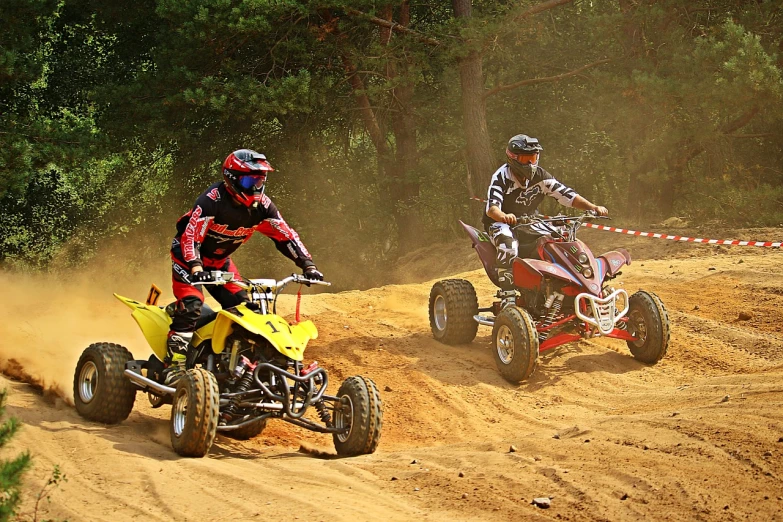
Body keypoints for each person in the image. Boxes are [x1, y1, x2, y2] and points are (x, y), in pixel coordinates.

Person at [164, 149, 323, 383]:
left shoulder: (263, 207)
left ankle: (240, 368)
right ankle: (174, 365)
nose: (256, 187)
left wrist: (308, 265)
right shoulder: (211, 201)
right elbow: (191, 238)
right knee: (192, 305)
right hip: (188, 261)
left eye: (260, 180)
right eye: (250, 180)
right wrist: (196, 267)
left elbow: (286, 236)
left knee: (248, 311)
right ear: (232, 178)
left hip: (220, 263)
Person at [484, 134, 608, 267]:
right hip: (500, 223)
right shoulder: (502, 177)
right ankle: (507, 286)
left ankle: (572, 277)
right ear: (513, 158)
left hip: (530, 221)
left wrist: (593, 207)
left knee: (561, 237)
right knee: (508, 245)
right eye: (526, 158)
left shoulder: (541, 176)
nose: (530, 163)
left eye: (533, 157)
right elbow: (492, 209)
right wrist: (504, 216)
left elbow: (567, 195)